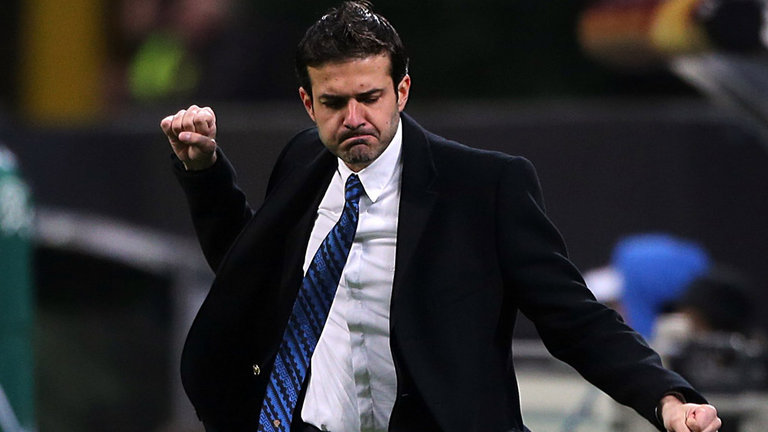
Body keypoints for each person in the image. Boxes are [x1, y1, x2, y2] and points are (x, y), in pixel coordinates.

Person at [160, 2, 721, 431]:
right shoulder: (304, 160)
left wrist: (665, 397)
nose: (354, 118)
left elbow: (573, 318)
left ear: (401, 91)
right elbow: (250, 278)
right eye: (333, 102)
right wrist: (204, 173)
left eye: (370, 97)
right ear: (308, 103)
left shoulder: (484, 187)